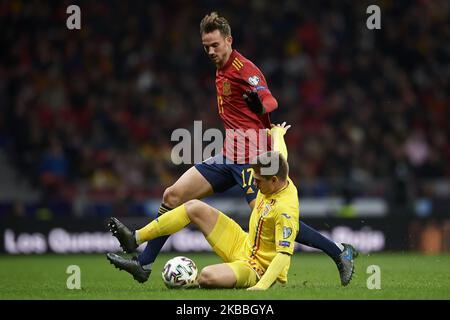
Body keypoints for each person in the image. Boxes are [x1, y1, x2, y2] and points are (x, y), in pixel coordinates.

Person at [106, 12, 357, 286]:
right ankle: (143, 264)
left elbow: (270, 101)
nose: (211, 51)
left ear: (229, 41)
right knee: (173, 194)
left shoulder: (244, 69)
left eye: (215, 45)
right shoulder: (220, 67)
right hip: (229, 154)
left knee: (270, 216)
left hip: (253, 158)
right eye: (206, 47)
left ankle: (339, 253)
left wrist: (260, 106)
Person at [107, 124, 299, 290]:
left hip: (256, 267)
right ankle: (135, 238)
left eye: (258, 181)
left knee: (207, 276)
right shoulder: (277, 172)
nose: (254, 184)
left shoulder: (285, 210)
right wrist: (278, 133)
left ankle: (193, 281)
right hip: (243, 243)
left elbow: (283, 255)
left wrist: (261, 286)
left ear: (274, 180)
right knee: (193, 206)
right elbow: (280, 152)